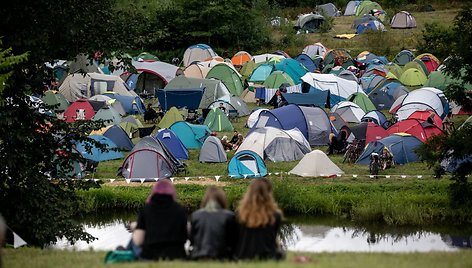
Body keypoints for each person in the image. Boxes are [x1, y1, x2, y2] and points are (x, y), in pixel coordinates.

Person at [130, 179, 188, 260]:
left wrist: (135, 228)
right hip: (177, 254)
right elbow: (185, 236)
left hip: (150, 255)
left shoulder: (146, 209)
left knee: (131, 242)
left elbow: (138, 240)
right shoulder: (179, 209)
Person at [234, 179, 284, 260]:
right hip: (268, 257)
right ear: (269, 193)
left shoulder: (239, 213)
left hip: (243, 256)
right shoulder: (275, 215)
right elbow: (274, 239)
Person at [189, 187, 237, 260]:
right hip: (222, 256)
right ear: (222, 199)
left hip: (199, 255)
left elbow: (192, 240)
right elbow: (233, 240)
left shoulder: (196, 215)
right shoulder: (229, 216)